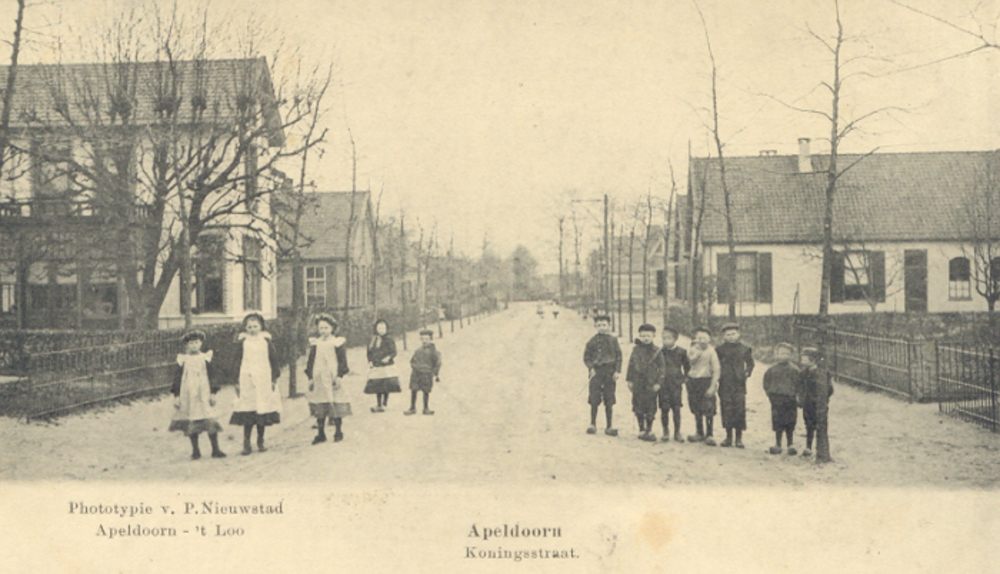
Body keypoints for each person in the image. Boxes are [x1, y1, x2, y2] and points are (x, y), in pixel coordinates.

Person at [229, 313, 282, 455]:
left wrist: (274, 378)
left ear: (261, 326)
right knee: (248, 409)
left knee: (261, 409)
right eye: (249, 327)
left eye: (255, 326)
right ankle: (246, 443)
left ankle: (260, 440)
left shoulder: (266, 341)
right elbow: (236, 360)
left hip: (263, 379)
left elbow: (274, 359)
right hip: (246, 379)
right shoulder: (243, 342)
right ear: (245, 328)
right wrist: (235, 381)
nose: (252, 329)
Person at [169, 330, 225, 460]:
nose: (194, 345)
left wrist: (213, 393)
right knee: (192, 419)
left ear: (201, 343)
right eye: (191, 343)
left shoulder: (206, 358)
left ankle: (215, 449)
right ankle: (195, 450)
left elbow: (212, 376)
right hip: (188, 394)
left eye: (196, 342)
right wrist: (176, 396)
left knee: (209, 418)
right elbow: (177, 378)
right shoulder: (183, 359)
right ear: (187, 345)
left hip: (204, 393)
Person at [304, 314, 351, 444]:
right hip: (319, 377)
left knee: (335, 402)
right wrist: (310, 377)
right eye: (321, 328)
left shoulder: (337, 342)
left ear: (332, 328)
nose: (323, 331)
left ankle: (338, 431)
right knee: (320, 404)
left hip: (333, 376)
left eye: (326, 328)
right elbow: (311, 361)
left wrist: (339, 376)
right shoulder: (315, 343)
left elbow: (342, 361)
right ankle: (321, 433)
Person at [715, 323, 755, 449]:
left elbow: (750, 363)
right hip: (725, 383)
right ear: (724, 336)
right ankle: (728, 437)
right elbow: (715, 364)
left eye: (733, 334)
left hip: (739, 384)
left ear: (738, 334)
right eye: (728, 335)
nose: (731, 336)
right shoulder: (719, 350)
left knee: (739, 409)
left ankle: (739, 438)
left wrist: (747, 373)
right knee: (726, 408)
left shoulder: (745, 349)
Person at [583, 314, 622, 436]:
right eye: (599, 325)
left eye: (604, 325)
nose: (602, 327)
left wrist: (617, 371)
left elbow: (619, 357)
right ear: (595, 326)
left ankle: (609, 426)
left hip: (609, 372)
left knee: (609, 398)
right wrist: (591, 368)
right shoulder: (592, 341)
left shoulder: (613, 340)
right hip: (596, 372)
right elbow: (586, 357)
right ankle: (592, 424)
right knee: (594, 398)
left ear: (609, 326)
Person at [627, 324, 665, 442]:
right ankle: (641, 429)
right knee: (638, 405)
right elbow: (631, 365)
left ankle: (649, 429)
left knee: (651, 406)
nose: (646, 338)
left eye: (648, 336)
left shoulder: (657, 351)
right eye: (643, 336)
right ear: (640, 336)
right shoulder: (636, 350)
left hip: (651, 383)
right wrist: (629, 380)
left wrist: (659, 383)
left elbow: (662, 368)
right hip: (638, 382)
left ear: (653, 336)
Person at [763, 342, 800, 455]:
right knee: (777, 420)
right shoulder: (772, 370)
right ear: (776, 354)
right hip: (777, 399)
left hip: (790, 399)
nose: (784, 356)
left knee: (790, 421)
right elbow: (766, 382)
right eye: (781, 353)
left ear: (791, 355)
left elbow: (800, 384)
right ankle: (778, 444)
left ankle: (790, 444)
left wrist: (796, 395)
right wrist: (770, 393)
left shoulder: (795, 370)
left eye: (787, 353)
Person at [686, 327, 720, 446]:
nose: (702, 341)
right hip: (693, 381)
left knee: (709, 408)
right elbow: (690, 361)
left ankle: (709, 434)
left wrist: (713, 386)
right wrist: (697, 351)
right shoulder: (692, 349)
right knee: (696, 407)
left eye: (704, 338)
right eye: (699, 338)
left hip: (706, 381)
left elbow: (716, 369)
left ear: (709, 339)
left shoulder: (712, 352)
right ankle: (699, 432)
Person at [798, 347, 833, 458]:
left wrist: (822, 399)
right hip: (807, 404)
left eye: (804, 358)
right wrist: (801, 399)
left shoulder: (822, 373)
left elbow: (829, 389)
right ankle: (808, 447)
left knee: (818, 424)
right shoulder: (802, 373)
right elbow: (800, 388)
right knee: (808, 424)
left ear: (812, 360)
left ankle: (820, 449)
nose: (802, 361)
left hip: (817, 404)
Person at [657, 326, 690, 442]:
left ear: (675, 339)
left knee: (676, 408)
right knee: (664, 408)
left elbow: (687, 367)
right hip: (663, 384)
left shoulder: (682, 352)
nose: (666, 341)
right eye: (664, 338)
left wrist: (684, 378)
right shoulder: (659, 352)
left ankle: (677, 432)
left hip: (676, 384)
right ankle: (665, 431)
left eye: (669, 338)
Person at [364, 319, 402, 412]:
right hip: (377, 365)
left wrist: (388, 358)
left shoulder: (389, 339)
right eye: (379, 328)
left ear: (386, 329)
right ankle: (378, 404)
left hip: (386, 365)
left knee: (386, 385)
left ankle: (384, 403)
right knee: (377, 384)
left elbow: (394, 352)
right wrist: (370, 361)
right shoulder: (373, 340)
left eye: (383, 328)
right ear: (376, 329)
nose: (381, 330)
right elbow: (369, 352)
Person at [405, 330, 441, 415]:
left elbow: (438, 363)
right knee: (414, 389)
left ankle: (426, 408)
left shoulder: (434, 351)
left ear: (431, 340)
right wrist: (415, 367)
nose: (424, 341)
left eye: (427, 339)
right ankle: (412, 408)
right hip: (416, 373)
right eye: (423, 339)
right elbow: (412, 360)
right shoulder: (418, 350)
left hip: (427, 373)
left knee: (426, 390)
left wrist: (434, 373)